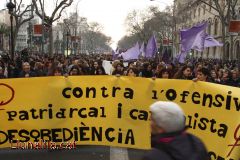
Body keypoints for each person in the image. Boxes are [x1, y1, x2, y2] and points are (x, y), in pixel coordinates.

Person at [142, 101, 209, 160]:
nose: (149, 122)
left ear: (160, 129)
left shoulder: (153, 157)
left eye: (152, 120)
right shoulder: (197, 144)